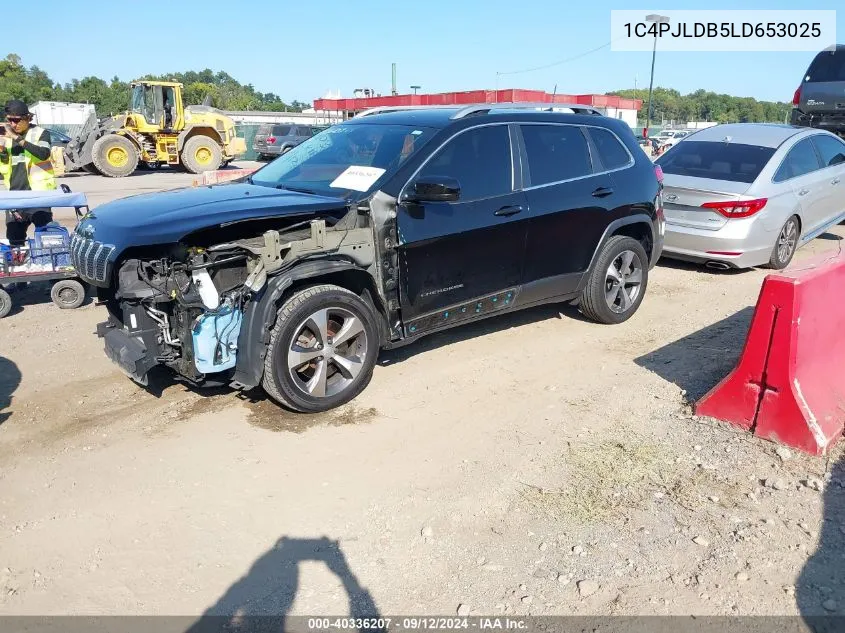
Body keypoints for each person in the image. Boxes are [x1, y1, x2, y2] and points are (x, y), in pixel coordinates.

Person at [0, 99, 56, 247]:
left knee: (46, 239)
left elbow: (43, 154)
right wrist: (2, 150)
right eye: (9, 120)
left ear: (27, 118)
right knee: (15, 240)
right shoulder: (6, 137)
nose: (12, 124)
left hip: (39, 197)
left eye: (16, 120)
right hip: (15, 198)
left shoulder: (40, 133)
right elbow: (4, 165)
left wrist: (17, 139)